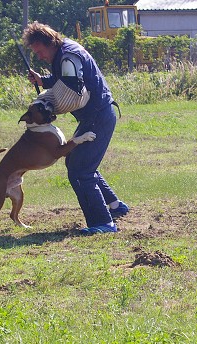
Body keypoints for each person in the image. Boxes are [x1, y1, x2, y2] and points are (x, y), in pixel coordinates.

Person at [22, 21, 129, 235]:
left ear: (49, 42)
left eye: (40, 51)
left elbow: (73, 85)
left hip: (98, 116)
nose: (40, 56)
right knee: (75, 161)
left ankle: (103, 223)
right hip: (95, 115)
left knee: (80, 170)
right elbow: (64, 79)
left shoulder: (69, 55)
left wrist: (49, 105)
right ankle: (115, 206)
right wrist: (43, 81)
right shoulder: (64, 52)